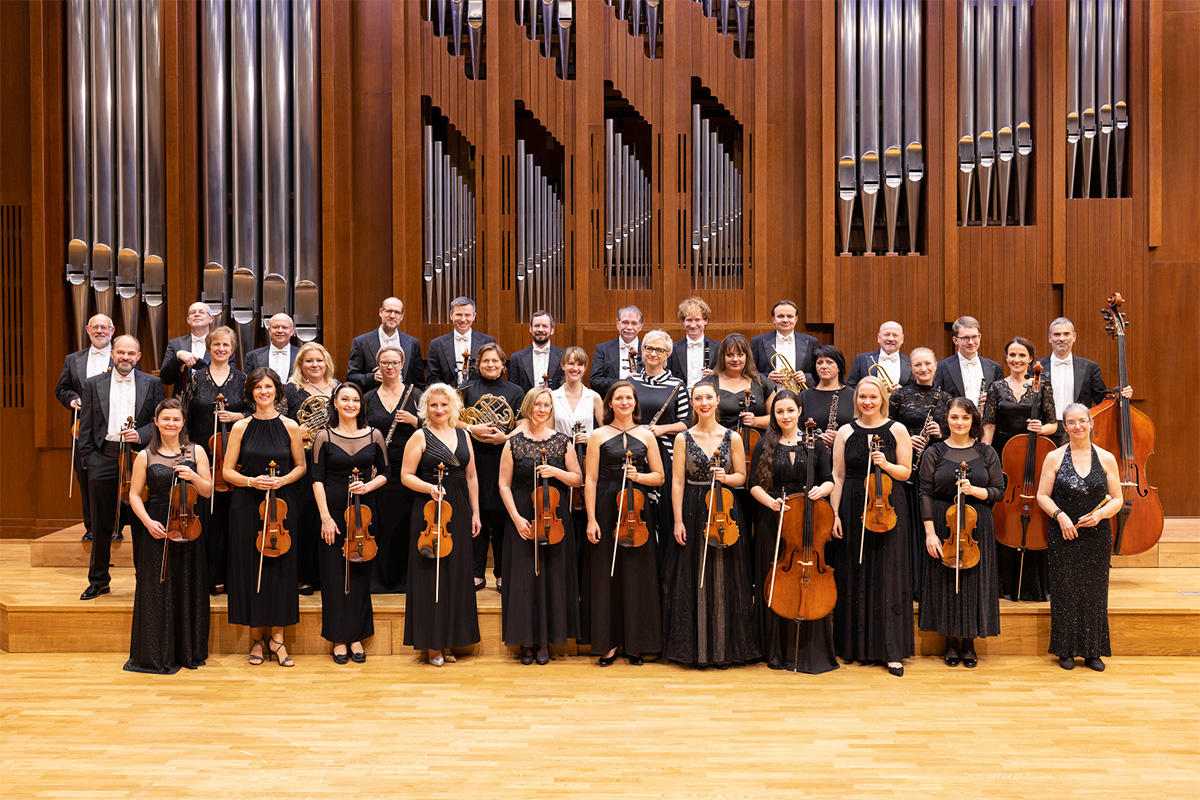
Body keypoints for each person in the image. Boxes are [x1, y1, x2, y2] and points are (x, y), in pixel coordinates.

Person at [662, 380, 759, 668]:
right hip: (692, 506)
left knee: (725, 574)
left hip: (725, 508)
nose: (704, 402)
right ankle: (698, 650)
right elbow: (677, 482)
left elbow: (742, 475)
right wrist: (678, 520)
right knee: (694, 574)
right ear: (692, 404)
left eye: (708, 397)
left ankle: (723, 649)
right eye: (698, 398)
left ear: (717, 401)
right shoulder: (683, 438)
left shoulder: (733, 437)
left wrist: (727, 478)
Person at [222, 367, 307, 667]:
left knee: (281, 571)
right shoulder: (240, 428)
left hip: (281, 505)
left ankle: (278, 640)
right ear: (251, 393)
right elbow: (227, 471)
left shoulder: (291, 426)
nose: (263, 392)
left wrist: (282, 481)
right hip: (247, 505)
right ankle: (257, 639)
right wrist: (251, 482)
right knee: (250, 571)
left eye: (268, 386)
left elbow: (300, 467)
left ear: (277, 391)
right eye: (257, 387)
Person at [830, 376, 914, 676]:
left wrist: (886, 464)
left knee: (887, 575)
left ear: (882, 399)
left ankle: (891, 651)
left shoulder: (897, 429)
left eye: (873, 397)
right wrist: (835, 513)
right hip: (853, 504)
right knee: (854, 572)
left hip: (888, 507)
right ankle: (853, 647)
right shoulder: (845, 431)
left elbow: (905, 473)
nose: (867, 402)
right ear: (857, 400)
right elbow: (837, 476)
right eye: (863, 397)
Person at [748, 390, 838, 673]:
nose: (785, 416)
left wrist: (820, 490)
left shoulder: (815, 444)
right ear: (773, 415)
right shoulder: (765, 442)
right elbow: (753, 484)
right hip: (773, 520)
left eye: (789, 410)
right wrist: (772, 503)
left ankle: (808, 650)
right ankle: (774, 651)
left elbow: (829, 480)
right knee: (775, 582)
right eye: (779, 412)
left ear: (799, 411)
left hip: (807, 521)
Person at [124, 398, 213, 673]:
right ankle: (156, 652)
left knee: (187, 586)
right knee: (157, 589)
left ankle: (188, 652)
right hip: (156, 527)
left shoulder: (196, 451)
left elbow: (209, 491)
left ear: (183, 422)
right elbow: (134, 495)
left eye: (176, 419)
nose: (171, 424)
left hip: (189, 527)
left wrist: (194, 477)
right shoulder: (144, 456)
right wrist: (148, 522)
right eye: (166, 419)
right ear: (156, 422)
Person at [1036, 403, 1124, 672]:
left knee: (1095, 592)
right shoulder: (1054, 457)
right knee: (1065, 590)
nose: (1077, 426)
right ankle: (1065, 649)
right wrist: (1060, 515)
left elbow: (1118, 499)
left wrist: (1100, 515)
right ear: (1065, 427)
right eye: (1071, 422)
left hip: (1096, 534)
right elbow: (1042, 496)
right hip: (1063, 533)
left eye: (1082, 421)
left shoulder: (1106, 458)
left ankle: (1093, 650)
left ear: (1090, 423)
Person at [498, 388, 583, 665]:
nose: (542, 409)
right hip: (523, 516)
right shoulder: (513, 442)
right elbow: (503, 484)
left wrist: (556, 472)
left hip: (554, 519)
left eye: (546, 405)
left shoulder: (562, 441)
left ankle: (546, 641)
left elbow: (577, 479)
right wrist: (516, 518)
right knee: (524, 580)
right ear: (528, 407)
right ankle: (526, 641)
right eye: (537, 404)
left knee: (552, 578)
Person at [918, 398, 1004, 669]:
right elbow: (925, 493)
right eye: (954, 417)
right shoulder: (934, 452)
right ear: (947, 420)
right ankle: (950, 643)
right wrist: (930, 533)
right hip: (945, 524)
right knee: (946, 581)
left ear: (973, 422)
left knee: (974, 582)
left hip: (977, 524)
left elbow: (998, 491)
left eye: (965, 418)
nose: (959, 423)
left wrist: (975, 491)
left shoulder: (987, 452)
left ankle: (969, 643)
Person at [78, 335, 165, 600]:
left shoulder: (153, 383)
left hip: (139, 457)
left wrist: (141, 435)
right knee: (101, 521)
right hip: (104, 455)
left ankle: (145, 579)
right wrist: (90, 462)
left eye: (131, 353)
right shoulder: (93, 384)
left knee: (140, 519)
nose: (125, 357)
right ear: (112, 354)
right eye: (120, 352)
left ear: (138, 356)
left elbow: (159, 421)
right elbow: (86, 428)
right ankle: (99, 579)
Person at [401, 384, 482, 667]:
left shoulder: (463, 434)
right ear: (426, 408)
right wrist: (429, 488)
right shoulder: (419, 436)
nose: (439, 410)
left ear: (453, 408)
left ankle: (449, 639)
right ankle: (432, 644)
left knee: (455, 574)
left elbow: (471, 477)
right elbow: (405, 475)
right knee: (430, 575)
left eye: (444, 405)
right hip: (430, 510)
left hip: (459, 509)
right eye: (434, 405)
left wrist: (476, 513)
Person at [584, 381, 665, 666]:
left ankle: (636, 643)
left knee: (636, 576)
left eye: (629, 398)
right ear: (609, 403)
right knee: (608, 576)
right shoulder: (597, 435)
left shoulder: (647, 435)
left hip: (636, 510)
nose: (624, 402)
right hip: (607, 508)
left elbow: (660, 476)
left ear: (635, 402)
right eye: (618, 398)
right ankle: (608, 644)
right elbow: (590, 479)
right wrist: (592, 519)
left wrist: (638, 477)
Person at [311, 382, 389, 664]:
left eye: (355, 400)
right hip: (332, 512)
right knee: (333, 577)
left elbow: (386, 472)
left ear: (361, 404)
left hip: (364, 515)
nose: (350, 404)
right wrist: (325, 518)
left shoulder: (374, 435)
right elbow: (317, 479)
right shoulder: (323, 437)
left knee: (359, 577)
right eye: (345, 399)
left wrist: (368, 488)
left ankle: (356, 635)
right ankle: (338, 638)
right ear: (335, 403)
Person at [982, 335, 1059, 602]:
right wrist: (985, 456)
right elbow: (989, 425)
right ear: (1006, 358)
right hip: (1005, 460)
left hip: (1034, 456)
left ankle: (1035, 587)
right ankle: (1003, 583)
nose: (1016, 360)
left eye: (1022, 356)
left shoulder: (1042, 385)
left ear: (1031, 360)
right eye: (1012, 355)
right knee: (1002, 515)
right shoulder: (996, 387)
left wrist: (1042, 428)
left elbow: (1053, 424)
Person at [180, 326, 246, 595]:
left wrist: (238, 417)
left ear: (233, 349)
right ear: (208, 347)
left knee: (231, 516)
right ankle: (206, 576)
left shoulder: (243, 379)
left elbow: (257, 411)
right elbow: (184, 414)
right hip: (201, 455)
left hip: (234, 458)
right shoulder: (195, 378)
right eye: (216, 344)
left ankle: (230, 577)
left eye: (226, 345)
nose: (221, 348)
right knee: (205, 517)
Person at [459, 343, 525, 592]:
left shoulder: (515, 390)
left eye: (495, 361)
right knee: (476, 518)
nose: (490, 365)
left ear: (503, 365)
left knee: (500, 520)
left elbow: (523, 423)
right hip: (475, 461)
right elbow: (450, 417)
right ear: (478, 363)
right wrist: (471, 428)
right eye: (485, 361)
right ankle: (476, 572)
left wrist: (504, 438)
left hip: (503, 459)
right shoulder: (465, 389)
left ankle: (501, 572)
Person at [888, 347, 950, 598]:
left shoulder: (946, 398)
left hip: (935, 466)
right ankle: (908, 583)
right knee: (908, 524)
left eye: (927, 364)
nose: (923, 369)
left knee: (931, 521)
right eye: (917, 365)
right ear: (910, 368)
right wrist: (906, 439)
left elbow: (961, 432)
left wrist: (941, 433)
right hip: (905, 466)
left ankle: (929, 585)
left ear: (935, 364)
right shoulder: (899, 396)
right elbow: (886, 428)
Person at [362, 345, 423, 593]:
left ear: (402, 365)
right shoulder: (367, 397)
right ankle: (379, 579)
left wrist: (414, 421)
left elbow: (434, 429)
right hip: (379, 471)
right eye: (385, 363)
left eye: (394, 362)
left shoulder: (416, 395)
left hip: (409, 469)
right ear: (378, 366)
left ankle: (404, 579)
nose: (390, 367)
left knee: (405, 523)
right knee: (380, 523)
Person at [628, 330, 690, 566]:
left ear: (667, 356)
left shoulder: (677, 385)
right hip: (635, 452)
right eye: (649, 349)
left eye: (659, 350)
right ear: (642, 351)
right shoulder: (630, 381)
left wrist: (662, 430)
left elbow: (686, 422)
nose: (653, 354)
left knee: (663, 511)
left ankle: (665, 570)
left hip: (665, 453)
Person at [284, 342, 340, 595]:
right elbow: (278, 423)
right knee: (306, 517)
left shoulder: (339, 388)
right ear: (300, 365)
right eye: (308, 361)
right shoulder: (290, 390)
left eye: (319, 360)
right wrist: (298, 430)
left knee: (332, 516)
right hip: (304, 460)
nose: (315, 365)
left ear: (326, 362)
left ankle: (328, 575)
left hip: (334, 459)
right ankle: (305, 575)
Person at [55, 313, 114, 542]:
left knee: (114, 479)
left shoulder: (119, 356)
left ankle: (114, 527)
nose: (99, 331)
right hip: (82, 429)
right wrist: (71, 399)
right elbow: (62, 388)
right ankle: (91, 528)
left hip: (113, 428)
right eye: (95, 327)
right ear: (88, 330)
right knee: (87, 478)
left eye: (104, 327)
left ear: (112, 331)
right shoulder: (73, 359)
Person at [1039, 317, 1131, 444]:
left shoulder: (1090, 367)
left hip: (1078, 430)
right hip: (1045, 432)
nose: (1061, 338)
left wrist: (1121, 396)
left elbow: (1102, 399)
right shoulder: (1036, 367)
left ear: (1074, 336)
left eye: (1066, 334)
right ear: (1050, 338)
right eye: (1056, 334)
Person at [551, 347, 603, 565]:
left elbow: (606, 433)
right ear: (563, 365)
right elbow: (549, 431)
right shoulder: (552, 396)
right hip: (561, 461)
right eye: (570, 363)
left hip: (587, 460)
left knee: (584, 514)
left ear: (584, 368)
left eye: (579, 364)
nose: (575, 368)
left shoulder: (594, 397)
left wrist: (589, 439)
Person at [346, 297, 425, 390]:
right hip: (373, 400)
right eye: (389, 311)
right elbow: (351, 377)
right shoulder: (361, 342)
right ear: (380, 312)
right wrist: (373, 378)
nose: (392, 316)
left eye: (397, 312)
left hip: (405, 400)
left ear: (402, 316)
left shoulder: (413, 343)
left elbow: (419, 382)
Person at [934, 315, 1003, 406]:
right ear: (955, 340)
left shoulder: (995, 368)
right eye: (965, 338)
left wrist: (992, 400)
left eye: (974, 337)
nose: (971, 342)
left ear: (980, 337)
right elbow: (938, 402)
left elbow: (1002, 401)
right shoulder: (941, 367)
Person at [426, 296, 494, 387]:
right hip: (448, 398)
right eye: (458, 315)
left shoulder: (487, 341)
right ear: (451, 315)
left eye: (467, 315)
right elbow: (433, 378)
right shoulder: (437, 344)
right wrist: (449, 393)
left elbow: (492, 374)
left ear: (474, 316)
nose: (463, 319)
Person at [750, 299, 819, 387]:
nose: (785, 320)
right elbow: (749, 372)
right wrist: (767, 378)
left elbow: (819, 372)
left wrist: (807, 378)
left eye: (790, 316)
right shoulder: (757, 342)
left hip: (801, 398)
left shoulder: (811, 342)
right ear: (773, 319)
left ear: (796, 319)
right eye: (780, 316)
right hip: (770, 397)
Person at [800, 345, 857, 449]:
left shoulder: (854, 395)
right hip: (812, 455)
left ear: (839, 367)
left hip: (845, 454)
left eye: (829, 362)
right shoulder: (804, 396)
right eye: (819, 362)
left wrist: (841, 436)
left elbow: (862, 429)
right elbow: (796, 430)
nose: (824, 366)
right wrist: (814, 438)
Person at [590, 305, 644, 397]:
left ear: (641, 326)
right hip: (611, 404)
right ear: (617, 324)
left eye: (634, 323)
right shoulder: (602, 349)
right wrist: (624, 382)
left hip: (642, 405)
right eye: (625, 322)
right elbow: (595, 381)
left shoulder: (648, 350)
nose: (629, 327)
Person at [666, 296, 719, 389]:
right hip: (680, 398)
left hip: (707, 398)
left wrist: (716, 374)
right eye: (689, 320)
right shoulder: (672, 348)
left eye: (697, 320)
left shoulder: (719, 347)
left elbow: (727, 376)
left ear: (705, 321)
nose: (693, 325)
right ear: (683, 322)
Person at [159, 302, 214, 389]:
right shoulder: (174, 344)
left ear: (211, 319)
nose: (197, 314)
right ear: (188, 320)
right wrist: (178, 357)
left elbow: (225, 374)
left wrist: (195, 362)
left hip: (213, 398)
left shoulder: (222, 345)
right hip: (183, 399)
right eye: (193, 312)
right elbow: (166, 379)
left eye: (201, 312)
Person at [508, 310, 565, 392]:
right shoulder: (517, 358)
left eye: (545, 326)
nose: (540, 329)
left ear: (552, 330)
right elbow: (513, 390)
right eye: (537, 326)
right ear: (530, 329)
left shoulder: (564, 356)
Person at [847, 321, 914, 388]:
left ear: (902, 339)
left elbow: (917, 390)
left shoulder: (912, 362)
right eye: (886, 335)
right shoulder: (861, 359)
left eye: (895, 335)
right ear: (879, 338)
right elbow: (851, 386)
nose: (890, 339)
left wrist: (903, 393)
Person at [243, 313, 300, 380]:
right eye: (275, 327)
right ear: (269, 330)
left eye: (285, 327)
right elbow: (248, 385)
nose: (280, 331)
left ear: (292, 331)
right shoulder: (252, 356)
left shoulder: (302, 355)